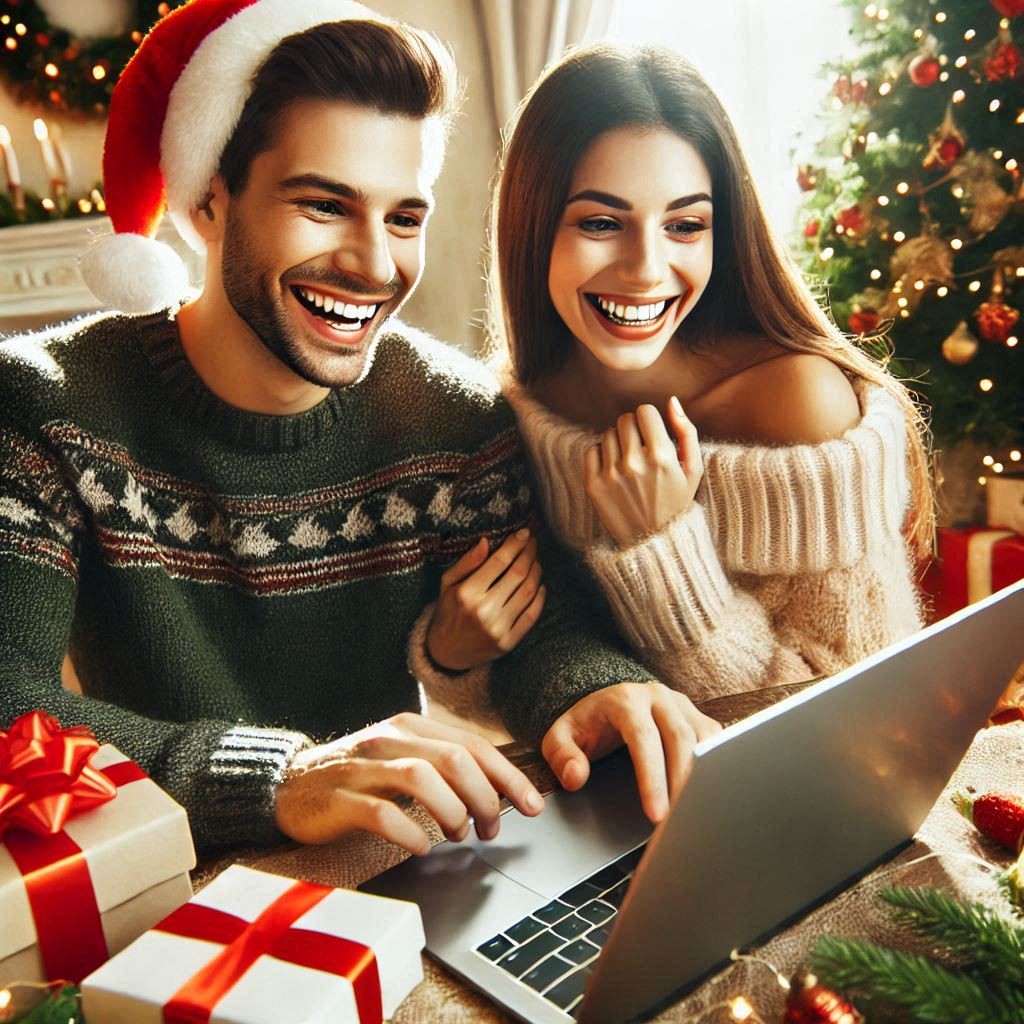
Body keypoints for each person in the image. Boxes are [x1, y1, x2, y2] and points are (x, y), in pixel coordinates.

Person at [0, 2, 719, 859]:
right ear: (207, 204)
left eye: (404, 218)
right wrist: (281, 777)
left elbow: (539, 627)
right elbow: (9, 705)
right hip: (153, 880)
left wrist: (596, 689)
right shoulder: (44, 404)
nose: (375, 265)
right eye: (324, 205)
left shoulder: (453, 416)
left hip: (389, 867)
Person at [459, 43, 931, 704]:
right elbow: (515, 681)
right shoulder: (513, 406)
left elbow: (866, 719)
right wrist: (454, 653)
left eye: (685, 225)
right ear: (532, 227)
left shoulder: (796, 401)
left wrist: (662, 549)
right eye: (600, 222)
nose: (647, 268)